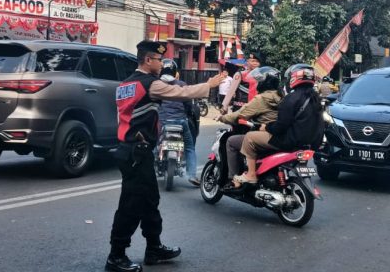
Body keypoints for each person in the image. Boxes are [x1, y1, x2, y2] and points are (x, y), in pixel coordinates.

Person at [106, 41, 223, 272]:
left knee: (150, 201)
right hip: (136, 152)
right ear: (148, 60)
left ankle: (154, 248)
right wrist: (208, 85)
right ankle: (115, 257)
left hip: (132, 150)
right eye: (159, 59)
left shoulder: (125, 84)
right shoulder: (150, 84)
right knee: (130, 205)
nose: (162, 63)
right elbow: (181, 93)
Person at [234, 64, 325, 186]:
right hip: (312, 143)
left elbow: (281, 126)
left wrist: (266, 127)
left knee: (250, 137)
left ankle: (251, 174)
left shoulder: (291, 98)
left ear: (294, 78)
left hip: (290, 141)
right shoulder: (317, 99)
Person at [217, 66, 282, 186]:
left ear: (264, 82)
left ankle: (233, 179)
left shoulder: (262, 98)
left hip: (266, 134)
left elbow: (241, 113)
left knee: (231, 141)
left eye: (258, 81)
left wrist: (223, 118)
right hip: (281, 135)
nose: (257, 84)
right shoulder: (282, 97)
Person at [158, 58, 200, 187]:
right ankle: (192, 175)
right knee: (189, 147)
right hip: (181, 121)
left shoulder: (156, 85)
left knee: (153, 141)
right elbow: (188, 104)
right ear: (175, 72)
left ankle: (154, 158)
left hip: (163, 121)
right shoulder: (182, 84)